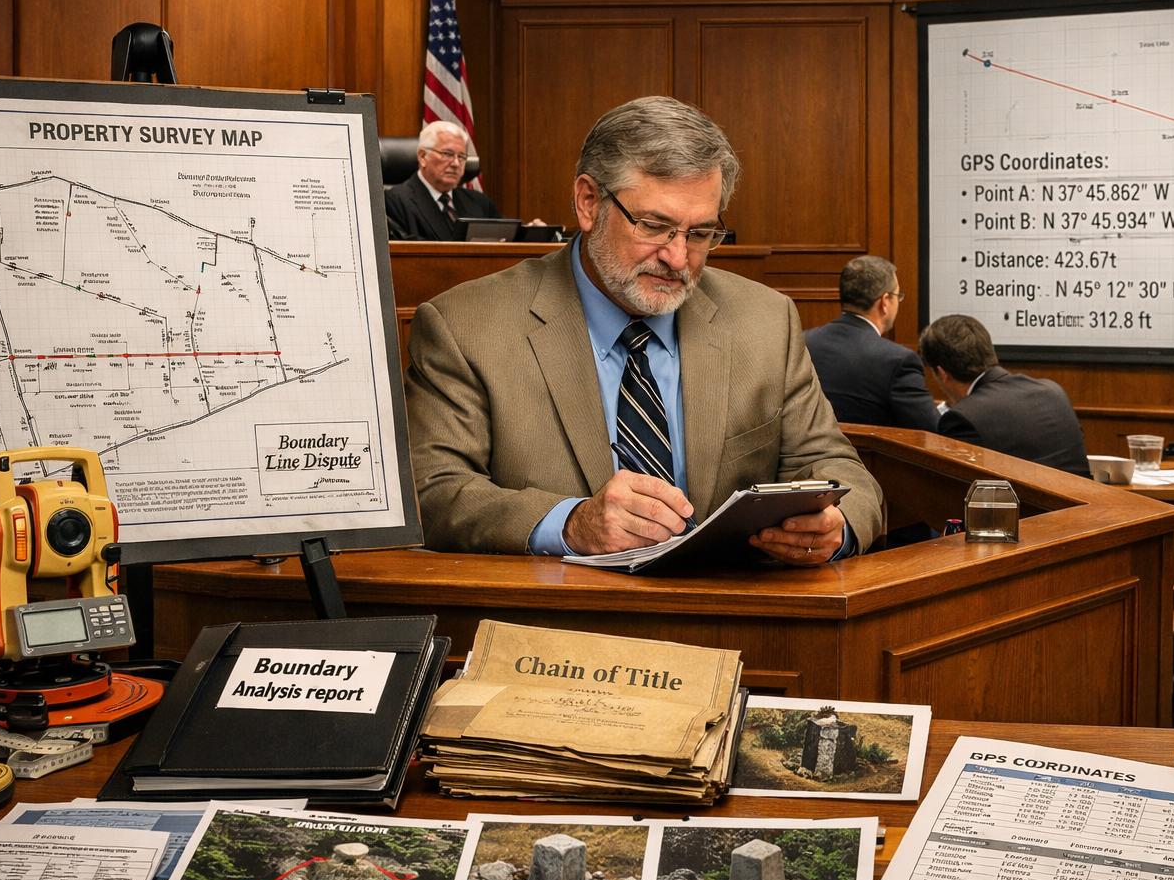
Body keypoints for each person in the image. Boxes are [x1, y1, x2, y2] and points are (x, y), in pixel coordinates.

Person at [404, 96, 883, 564]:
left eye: (699, 234)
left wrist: (834, 528)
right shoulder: (465, 327)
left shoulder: (764, 319)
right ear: (588, 202)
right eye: (654, 226)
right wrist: (571, 524)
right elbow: (436, 491)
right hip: (558, 626)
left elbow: (841, 470)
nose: (677, 258)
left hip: (733, 618)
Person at [917, 314, 1091, 477]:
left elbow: (952, 490)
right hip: (1090, 506)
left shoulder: (964, 419)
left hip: (1032, 510)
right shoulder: (1053, 391)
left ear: (943, 374)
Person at [803, 256, 939, 432]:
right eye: (898, 296)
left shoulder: (803, 342)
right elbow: (933, 433)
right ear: (884, 302)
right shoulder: (899, 361)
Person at [383, 121, 500, 241]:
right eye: (447, 154)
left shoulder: (480, 203)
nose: (456, 163)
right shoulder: (392, 203)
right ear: (423, 156)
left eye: (461, 157)